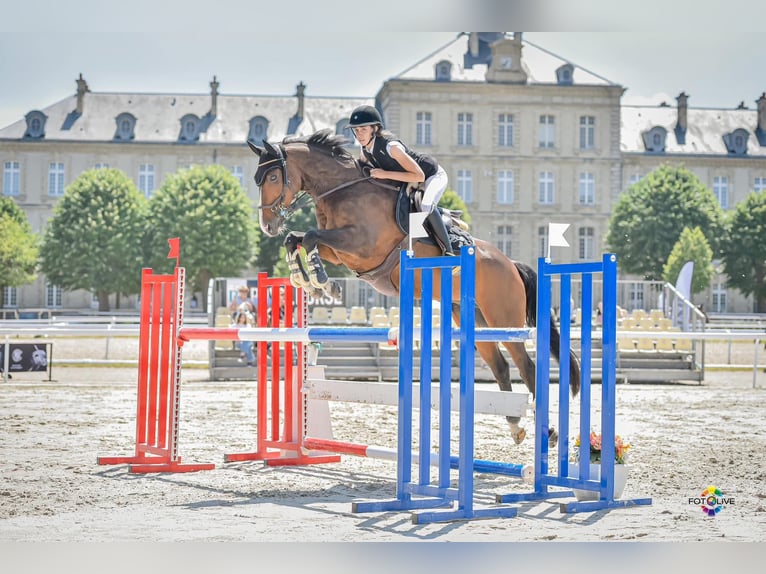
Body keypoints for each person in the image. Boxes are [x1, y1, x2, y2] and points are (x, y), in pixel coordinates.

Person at [347, 105, 454, 256]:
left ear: (375, 129)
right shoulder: (365, 150)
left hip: (431, 175)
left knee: (425, 205)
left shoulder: (392, 147)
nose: (359, 134)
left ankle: (448, 250)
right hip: (410, 182)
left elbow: (419, 176)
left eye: (363, 129)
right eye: (356, 130)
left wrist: (385, 174)